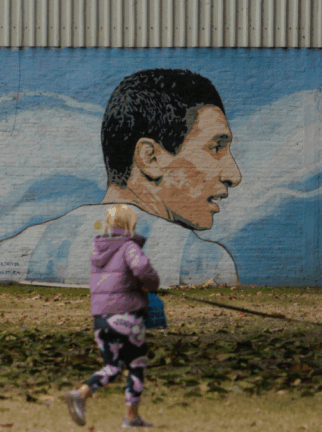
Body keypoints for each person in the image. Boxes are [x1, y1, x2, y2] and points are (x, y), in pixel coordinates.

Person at [0, 69, 241, 286]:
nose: (234, 175)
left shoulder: (10, 255)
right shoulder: (204, 265)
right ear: (150, 158)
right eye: (216, 148)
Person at [64, 204, 159, 428]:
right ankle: (131, 417)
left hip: (101, 318)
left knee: (113, 366)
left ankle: (83, 392)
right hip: (126, 316)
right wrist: (151, 285)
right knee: (136, 364)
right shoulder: (128, 246)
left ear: (108, 224)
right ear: (130, 224)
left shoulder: (98, 249)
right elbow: (142, 268)